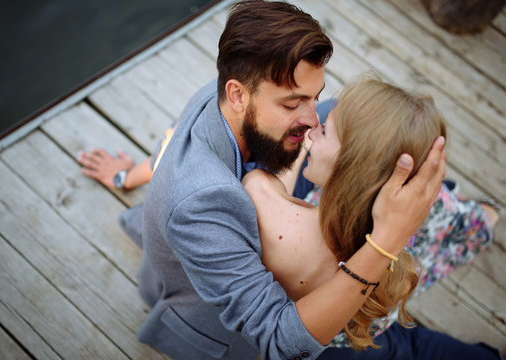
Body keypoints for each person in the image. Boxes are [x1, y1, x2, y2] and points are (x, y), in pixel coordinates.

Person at [81, 1, 446, 359]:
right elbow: (280, 340)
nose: (311, 122)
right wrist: (386, 241)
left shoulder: (222, 95)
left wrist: (127, 175)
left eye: (314, 98)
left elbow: (172, 143)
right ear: (237, 95)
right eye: (292, 104)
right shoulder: (200, 206)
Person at [243, 73, 500, 359]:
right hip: (368, 313)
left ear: (352, 165)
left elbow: (270, 186)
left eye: (324, 131)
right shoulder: (400, 264)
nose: (312, 131)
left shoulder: (267, 200)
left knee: (402, 349)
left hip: (331, 343)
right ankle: (479, 215)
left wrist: (303, 144)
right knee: (402, 343)